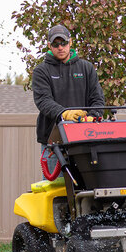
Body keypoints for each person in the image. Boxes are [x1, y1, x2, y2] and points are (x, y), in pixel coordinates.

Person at [32, 24, 105, 175]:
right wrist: (64, 113)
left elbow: (97, 99)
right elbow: (43, 101)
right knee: (57, 188)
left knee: (86, 185)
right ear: (49, 45)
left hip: (84, 141)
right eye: (55, 44)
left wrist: (92, 117)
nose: (60, 47)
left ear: (70, 42)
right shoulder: (41, 71)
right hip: (54, 145)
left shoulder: (86, 68)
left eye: (63, 43)